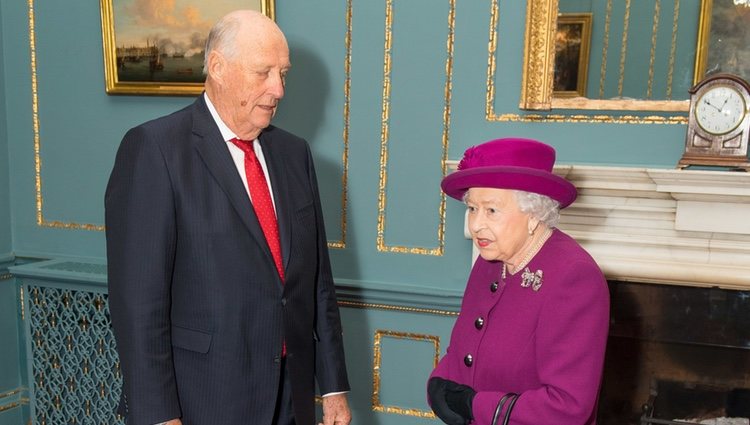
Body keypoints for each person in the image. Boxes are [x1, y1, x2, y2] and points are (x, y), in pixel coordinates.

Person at [105, 10, 351, 425]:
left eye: (283, 74)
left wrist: (333, 387)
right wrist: (158, 416)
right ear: (218, 67)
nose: (278, 89)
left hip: (292, 398)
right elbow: (138, 304)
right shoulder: (155, 150)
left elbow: (317, 283)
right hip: (204, 400)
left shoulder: (294, 154)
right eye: (263, 72)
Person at [427, 138, 610, 424]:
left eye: (491, 210)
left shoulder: (574, 277)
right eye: (472, 209)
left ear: (533, 214)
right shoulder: (490, 261)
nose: (475, 225)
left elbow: (567, 407)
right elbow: (464, 350)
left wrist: (475, 405)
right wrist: (439, 382)